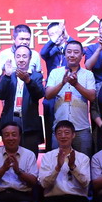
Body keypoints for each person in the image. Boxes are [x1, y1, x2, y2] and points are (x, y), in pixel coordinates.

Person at [45, 40, 96, 156]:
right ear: (64, 54)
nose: (72, 55)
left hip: (81, 128)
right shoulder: (55, 73)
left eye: (76, 52)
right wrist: (62, 83)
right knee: (57, 163)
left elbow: (92, 97)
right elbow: (48, 95)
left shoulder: (88, 74)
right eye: (69, 52)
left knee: (83, 163)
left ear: (82, 55)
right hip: (60, 128)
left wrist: (76, 84)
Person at [0, 45, 45, 157]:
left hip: (29, 123)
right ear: (14, 58)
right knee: (10, 157)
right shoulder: (10, 75)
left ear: (30, 58)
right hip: (11, 120)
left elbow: (39, 94)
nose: (21, 59)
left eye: (24, 56)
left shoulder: (36, 76)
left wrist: (28, 81)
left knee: (30, 157)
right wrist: (7, 76)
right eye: (18, 56)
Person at [38, 120, 91, 202]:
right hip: (53, 198)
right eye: (59, 133)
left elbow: (85, 183)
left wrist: (73, 167)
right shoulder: (47, 157)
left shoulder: (83, 158)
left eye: (67, 133)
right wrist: (57, 167)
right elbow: (43, 184)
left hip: (77, 198)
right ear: (55, 136)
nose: (63, 136)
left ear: (73, 135)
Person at [40, 22, 75, 151]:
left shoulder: (70, 51)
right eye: (52, 34)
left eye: (58, 32)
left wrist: (67, 36)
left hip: (68, 91)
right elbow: (43, 53)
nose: (56, 36)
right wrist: (53, 40)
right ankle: (50, 152)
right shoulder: (50, 51)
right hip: (52, 92)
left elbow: (79, 49)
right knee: (50, 126)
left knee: (68, 124)